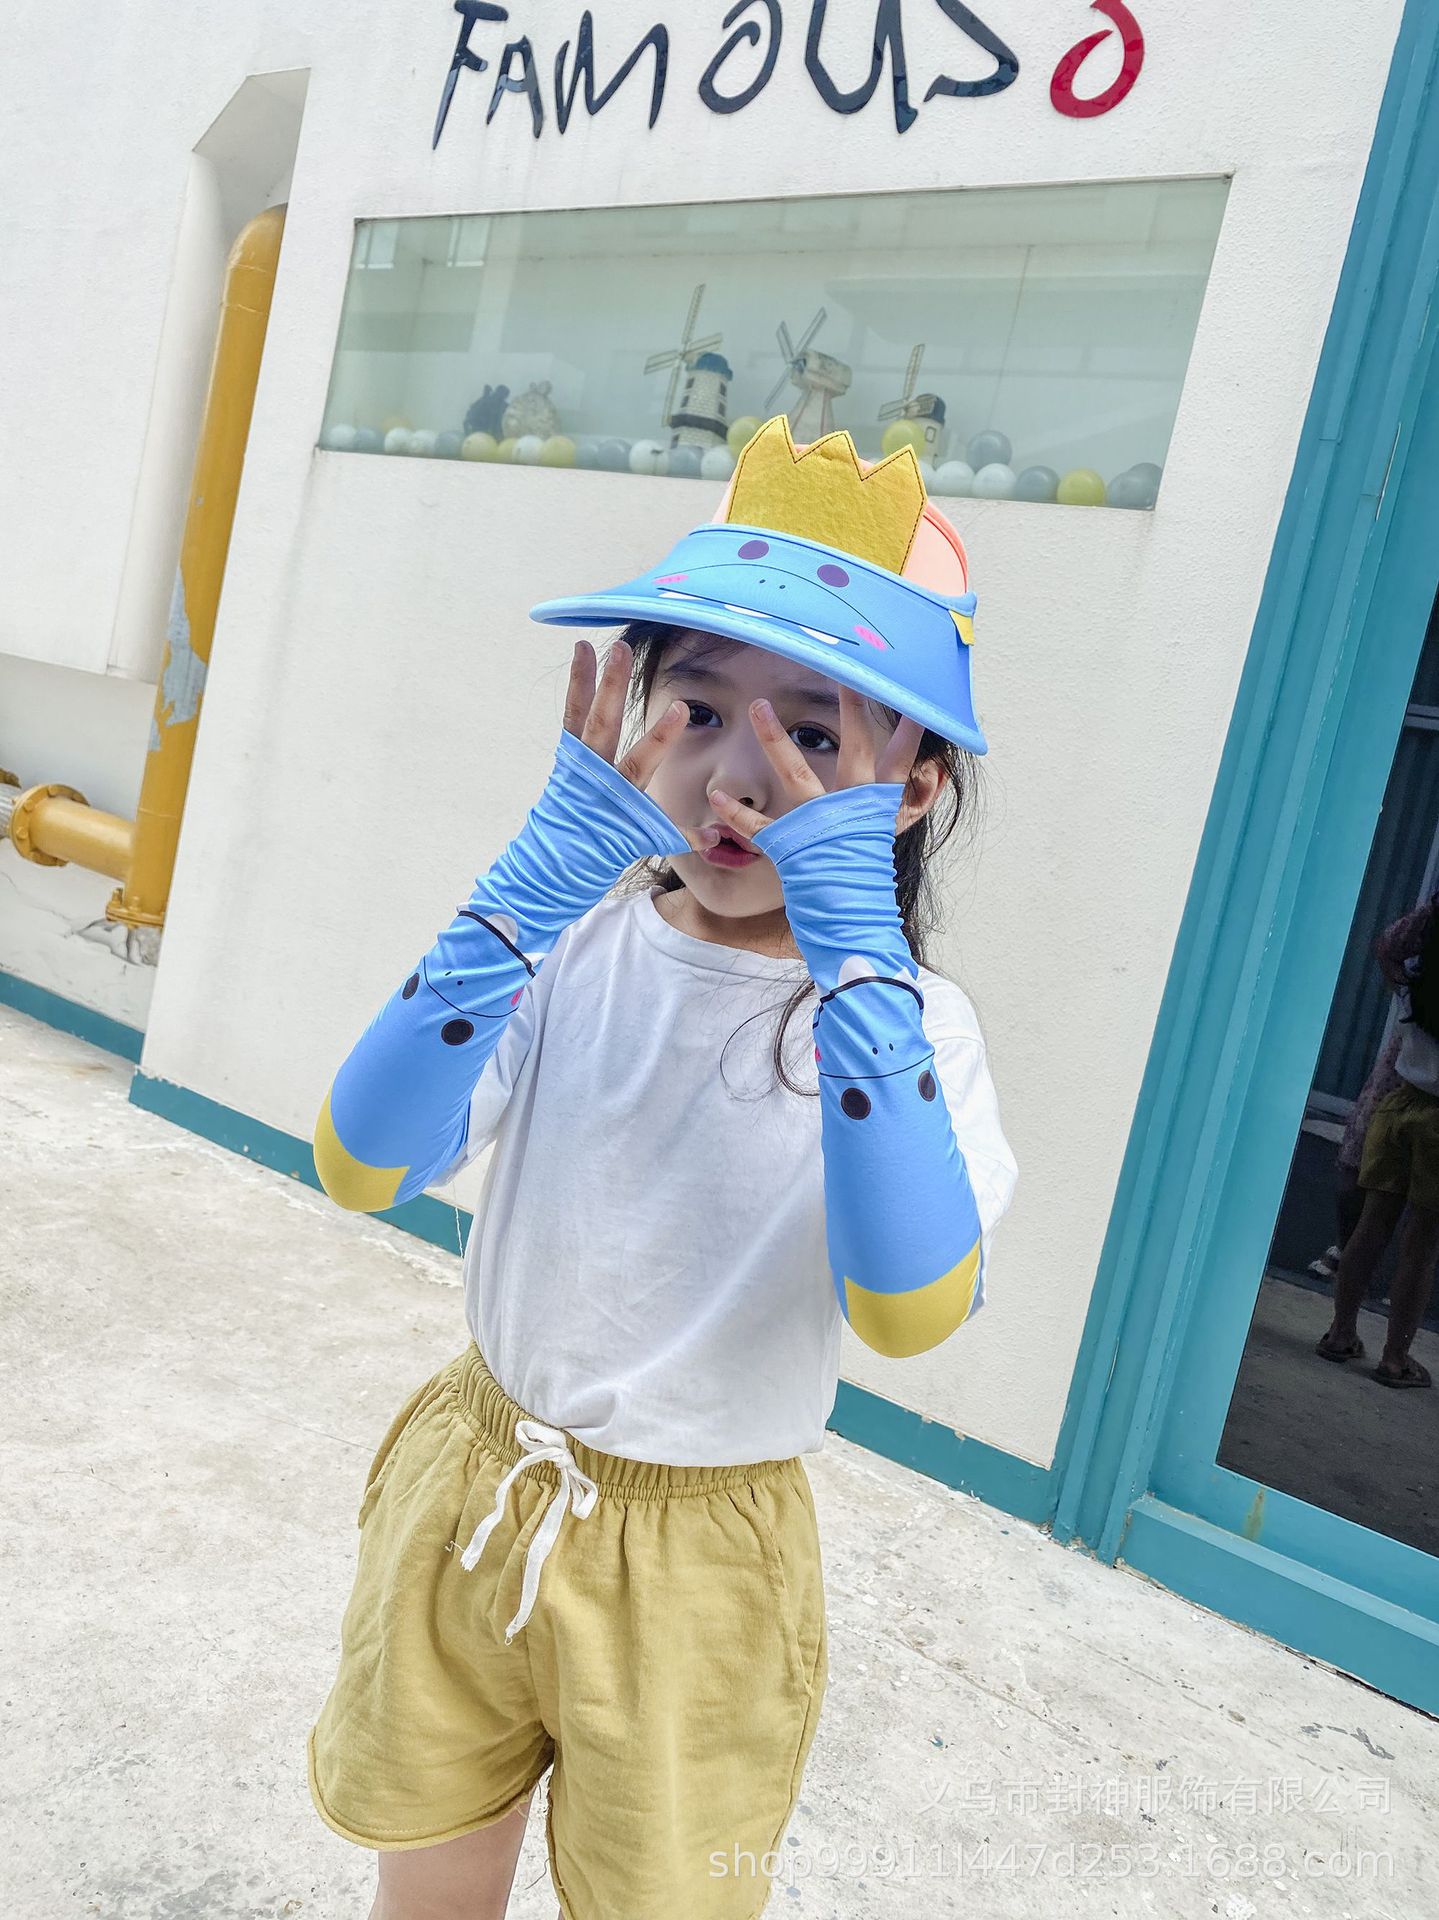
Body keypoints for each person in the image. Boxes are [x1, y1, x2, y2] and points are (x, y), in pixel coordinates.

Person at [304, 415, 1019, 1919]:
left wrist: (858, 978)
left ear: (910, 787)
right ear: (628, 717)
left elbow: (905, 1309)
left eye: (811, 736)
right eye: (696, 712)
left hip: (702, 1555)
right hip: (479, 1477)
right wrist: (522, 887)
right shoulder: (569, 936)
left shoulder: (919, 1034)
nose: (735, 781)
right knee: (425, 1875)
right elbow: (362, 1161)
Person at [1317, 890, 1439, 1388]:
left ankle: (1340, 1333)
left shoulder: (1420, 979)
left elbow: (1390, 946)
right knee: (1421, 1244)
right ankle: (1395, 1358)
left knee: (1372, 1226)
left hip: (1399, 1102)